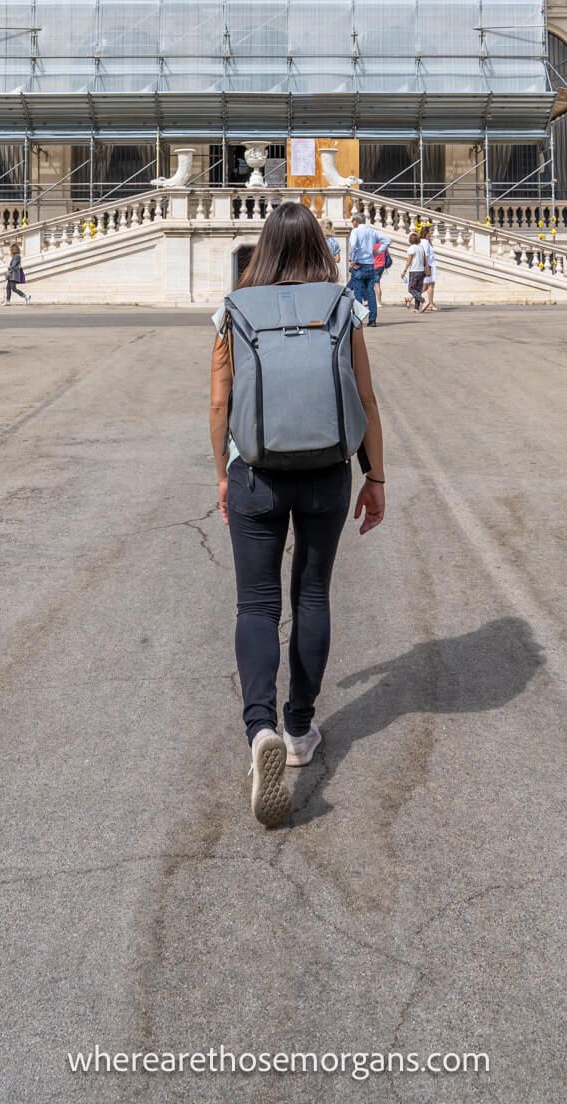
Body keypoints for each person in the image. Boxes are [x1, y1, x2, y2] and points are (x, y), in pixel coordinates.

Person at [210, 202, 386, 826]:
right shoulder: (343, 304)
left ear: (262, 247)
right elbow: (365, 397)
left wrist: (221, 475)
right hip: (326, 474)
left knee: (256, 605)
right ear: (318, 245)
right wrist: (377, 478)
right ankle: (301, 730)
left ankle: (260, 732)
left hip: (255, 472)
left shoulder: (235, 308)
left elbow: (217, 403)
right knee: (312, 595)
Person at [346, 211, 389, 326]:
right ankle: (372, 319)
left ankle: (358, 319)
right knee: (371, 293)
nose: (352, 223)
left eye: (352, 221)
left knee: (358, 293)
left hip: (359, 264)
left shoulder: (355, 231)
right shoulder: (372, 231)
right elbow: (387, 240)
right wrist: (377, 251)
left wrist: (353, 259)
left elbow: (354, 245)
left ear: (356, 221)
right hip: (370, 265)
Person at [402, 232, 428, 312]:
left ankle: (424, 301)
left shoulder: (412, 248)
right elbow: (425, 260)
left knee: (411, 289)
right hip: (421, 270)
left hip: (414, 270)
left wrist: (405, 270)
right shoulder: (421, 247)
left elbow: (409, 260)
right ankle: (416, 308)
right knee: (418, 290)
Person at [421, 228, 439, 311]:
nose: (431, 233)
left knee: (427, 286)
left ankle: (410, 298)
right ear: (426, 233)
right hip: (429, 265)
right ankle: (430, 304)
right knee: (430, 285)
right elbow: (426, 254)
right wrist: (427, 266)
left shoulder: (426, 241)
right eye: (430, 232)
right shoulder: (425, 242)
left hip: (430, 265)